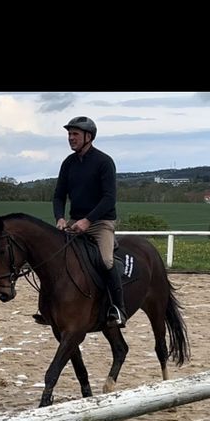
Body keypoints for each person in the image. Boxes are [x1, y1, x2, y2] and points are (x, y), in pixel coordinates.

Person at [53, 116, 126, 326]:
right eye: (69, 134)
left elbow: (109, 198)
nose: (70, 138)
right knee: (58, 257)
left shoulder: (104, 162)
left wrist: (87, 220)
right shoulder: (68, 163)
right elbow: (59, 195)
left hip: (100, 222)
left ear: (89, 137)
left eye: (75, 134)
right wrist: (59, 217)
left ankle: (118, 309)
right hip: (74, 222)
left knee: (105, 261)